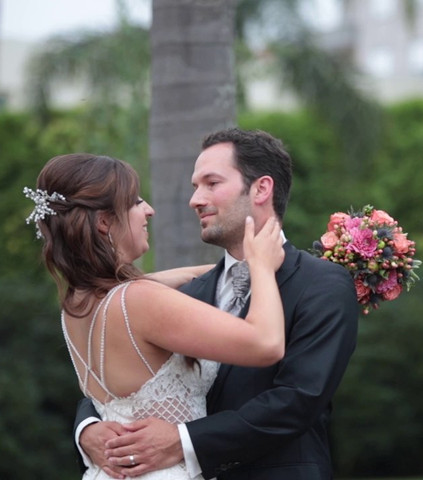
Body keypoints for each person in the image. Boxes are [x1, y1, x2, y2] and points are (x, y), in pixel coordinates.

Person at [77, 128, 360, 479]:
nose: (195, 199)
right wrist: (87, 428)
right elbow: (123, 369)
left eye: (211, 183)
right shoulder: (186, 293)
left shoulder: (322, 284)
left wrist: (183, 441)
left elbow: (297, 402)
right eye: (196, 186)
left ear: (261, 188)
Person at [25, 152, 286, 480]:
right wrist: (261, 266)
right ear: (105, 221)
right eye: (135, 202)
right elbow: (266, 344)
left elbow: (144, 286)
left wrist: (230, 269)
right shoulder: (140, 301)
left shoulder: (78, 304)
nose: (148, 209)